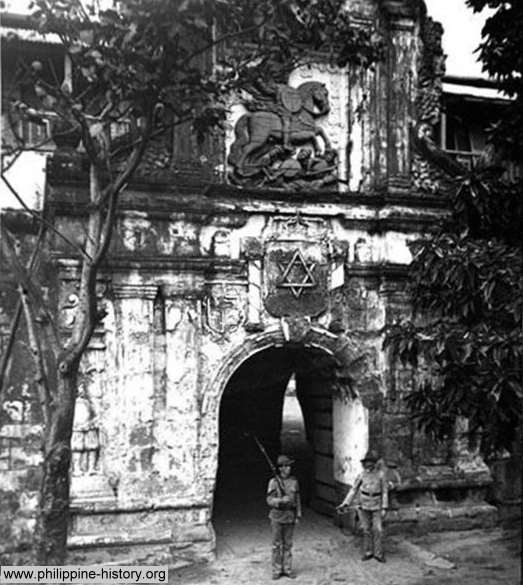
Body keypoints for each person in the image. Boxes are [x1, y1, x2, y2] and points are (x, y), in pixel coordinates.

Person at [336, 450, 388, 562]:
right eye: (367, 462)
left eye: (371, 462)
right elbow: (354, 489)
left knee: (378, 529)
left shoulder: (381, 475)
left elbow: (384, 492)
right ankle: (368, 551)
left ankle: (378, 553)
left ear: (375, 464)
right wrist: (346, 502)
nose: (368, 465)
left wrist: (384, 507)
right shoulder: (361, 475)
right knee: (366, 529)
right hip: (364, 505)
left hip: (377, 504)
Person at [266, 454, 302, 580]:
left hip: (290, 516)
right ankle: (276, 570)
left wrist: (298, 515)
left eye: (289, 466)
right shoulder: (274, 482)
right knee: (276, 544)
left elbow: (297, 498)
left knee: (288, 544)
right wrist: (280, 500)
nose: (289, 469)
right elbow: (269, 499)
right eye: (286, 466)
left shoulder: (294, 481)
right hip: (276, 516)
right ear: (281, 468)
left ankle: (287, 569)